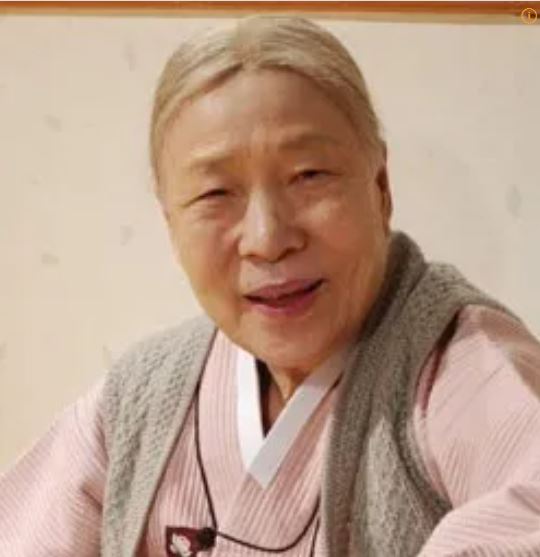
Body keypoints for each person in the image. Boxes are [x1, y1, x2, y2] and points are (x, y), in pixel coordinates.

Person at [1, 15, 539, 557]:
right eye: (215, 194)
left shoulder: (459, 365)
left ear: (381, 188)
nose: (267, 239)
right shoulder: (141, 400)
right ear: (170, 223)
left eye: (310, 176)